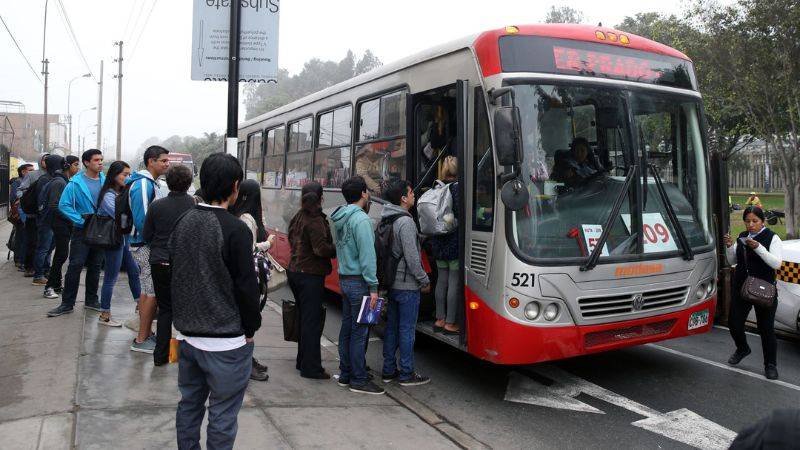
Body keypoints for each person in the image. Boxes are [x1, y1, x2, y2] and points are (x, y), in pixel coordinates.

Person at [170, 153, 261, 450]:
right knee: (222, 413)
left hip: (187, 337)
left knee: (189, 405)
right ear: (235, 186)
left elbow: (174, 271)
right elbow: (247, 287)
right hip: (226, 341)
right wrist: (251, 327)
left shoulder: (184, 220)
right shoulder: (235, 229)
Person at [330, 176, 384, 395]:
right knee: (360, 332)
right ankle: (358, 379)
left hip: (345, 279)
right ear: (363, 193)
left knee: (348, 330)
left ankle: (346, 373)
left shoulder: (341, 217)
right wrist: (373, 287)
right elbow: (368, 257)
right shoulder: (361, 220)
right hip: (360, 282)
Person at [143, 164, 196, 366]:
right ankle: (186, 358)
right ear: (189, 183)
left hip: (159, 262)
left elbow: (147, 235)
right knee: (187, 309)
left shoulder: (156, 206)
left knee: (165, 309)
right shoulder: (194, 205)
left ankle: (161, 356)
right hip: (185, 264)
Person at [380, 179, 431, 386]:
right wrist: (424, 280)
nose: (413, 195)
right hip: (407, 285)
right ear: (403, 198)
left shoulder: (387, 218)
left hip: (392, 283)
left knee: (391, 328)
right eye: (410, 193)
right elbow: (412, 258)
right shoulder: (406, 222)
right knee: (407, 330)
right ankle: (407, 373)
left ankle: (388, 369)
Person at [724, 206, 782, 380]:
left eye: (755, 221)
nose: (751, 225)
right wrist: (729, 247)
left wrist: (758, 247)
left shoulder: (773, 238)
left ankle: (770, 365)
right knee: (734, 323)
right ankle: (742, 348)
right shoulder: (742, 236)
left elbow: (776, 264)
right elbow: (733, 261)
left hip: (764, 289)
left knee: (766, 329)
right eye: (747, 221)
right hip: (742, 287)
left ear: (762, 221)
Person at [47, 150, 105, 317]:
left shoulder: (106, 181)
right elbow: (64, 205)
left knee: (95, 266)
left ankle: (92, 300)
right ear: (86, 162)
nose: (100, 162)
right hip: (82, 231)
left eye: (101, 159)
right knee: (75, 266)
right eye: (96, 160)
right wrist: (81, 221)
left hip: (101, 230)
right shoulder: (75, 183)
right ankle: (67, 303)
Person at [287, 181, 336, 380]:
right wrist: (338, 247)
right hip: (310, 275)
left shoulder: (299, 216)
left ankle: (302, 361)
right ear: (321, 197)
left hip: (296, 271)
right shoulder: (315, 220)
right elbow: (321, 249)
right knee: (311, 322)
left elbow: (291, 239)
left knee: (305, 319)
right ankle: (311, 367)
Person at [228, 179, 274, 381]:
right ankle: (245, 364)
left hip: (242, 276)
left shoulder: (237, 214)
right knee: (247, 322)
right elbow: (250, 249)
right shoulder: (247, 218)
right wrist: (268, 243)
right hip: (248, 276)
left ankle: (247, 360)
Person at [128, 145, 170, 353]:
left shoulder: (147, 183)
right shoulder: (144, 185)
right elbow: (143, 220)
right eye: (163, 161)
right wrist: (156, 245)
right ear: (151, 161)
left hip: (142, 244)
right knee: (151, 292)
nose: (166, 164)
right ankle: (142, 339)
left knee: (147, 290)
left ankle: (143, 335)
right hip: (144, 245)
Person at [96, 161, 141, 327]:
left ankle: (140, 307)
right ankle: (104, 314)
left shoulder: (121, 193)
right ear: (114, 175)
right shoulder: (108, 195)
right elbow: (119, 215)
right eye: (124, 174)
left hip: (124, 239)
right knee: (111, 278)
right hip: (113, 240)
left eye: (129, 175)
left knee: (134, 271)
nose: (127, 178)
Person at [430, 156, 461, 335]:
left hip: (438, 241)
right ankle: (450, 323)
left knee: (441, 281)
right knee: (454, 282)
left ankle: (440, 319)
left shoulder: (437, 188)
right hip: (453, 241)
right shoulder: (457, 189)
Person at [43, 156, 79, 299]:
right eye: (76, 165)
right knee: (61, 255)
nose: (77, 168)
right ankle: (49, 287)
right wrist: (72, 217)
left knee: (61, 255)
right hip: (59, 224)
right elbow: (54, 206)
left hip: (63, 224)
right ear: (67, 166)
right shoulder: (59, 182)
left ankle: (56, 285)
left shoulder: (64, 181)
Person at [31, 155, 61, 285]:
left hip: (52, 220)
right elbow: (42, 201)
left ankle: (45, 270)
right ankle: (38, 275)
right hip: (46, 220)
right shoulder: (45, 179)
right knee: (43, 248)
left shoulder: (53, 178)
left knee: (48, 248)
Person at [18, 154, 49, 277]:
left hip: (46, 215)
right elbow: (20, 190)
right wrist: (28, 199)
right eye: (45, 159)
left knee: (46, 244)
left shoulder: (54, 175)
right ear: (40, 160)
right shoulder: (32, 175)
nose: (47, 162)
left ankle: (43, 268)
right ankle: (29, 267)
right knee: (32, 241)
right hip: (33, 215)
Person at [10, 163, 33, 269]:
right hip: (19, 214)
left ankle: (23, 259)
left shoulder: (30, 182)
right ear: (23, 171)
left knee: (26, 237)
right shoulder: (18, 182)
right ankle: (18, 259)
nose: (33, 172)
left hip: (27, 213)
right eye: (30, 170)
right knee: (20, 237)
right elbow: (15, 198)